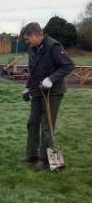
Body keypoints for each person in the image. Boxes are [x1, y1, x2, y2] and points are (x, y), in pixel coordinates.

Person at [20, 22, 75, 170]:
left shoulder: (53, 46)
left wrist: (51, 79)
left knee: (46, 125)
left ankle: (44, 160)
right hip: (38, 90)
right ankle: (31, 155)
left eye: (27, 39)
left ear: (37, 34)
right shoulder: (32, 48)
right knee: (32, 122)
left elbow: (69, 65)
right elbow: (33, 70)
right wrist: (27, 88)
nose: (26, 42)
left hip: (53, 91)